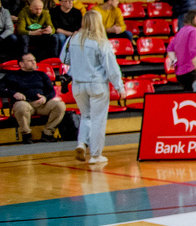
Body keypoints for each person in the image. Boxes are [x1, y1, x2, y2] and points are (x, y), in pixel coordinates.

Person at [61, 10, 122, 165]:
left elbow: (64, 59)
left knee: (86, 116)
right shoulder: (101, 42)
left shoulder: (73, 38)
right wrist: (119, 87)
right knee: (98, 120)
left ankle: (82, 143)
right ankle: (96, 155)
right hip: (96, 84)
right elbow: (111, 67)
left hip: (78, 85)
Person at [5, 52, 66, 144]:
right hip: (25, 103)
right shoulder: (12, 76)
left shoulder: (41, 75)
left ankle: (48, 133)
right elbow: (1, 88)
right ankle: (26, 134)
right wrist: (14, 93)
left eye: (34, 60)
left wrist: (45, 98)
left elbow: (51, 91)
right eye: (30, 61)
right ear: (21, 64)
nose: (34, 62)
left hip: (42, 104)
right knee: (20, 106)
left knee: (60, 105)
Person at [165, 9, 196, 91]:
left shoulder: (182, 30)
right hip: (193, 71)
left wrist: (174, 60)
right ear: (192, 18)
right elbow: (194, 52)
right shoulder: (195, 31)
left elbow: (170, 49)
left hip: (182, 73)